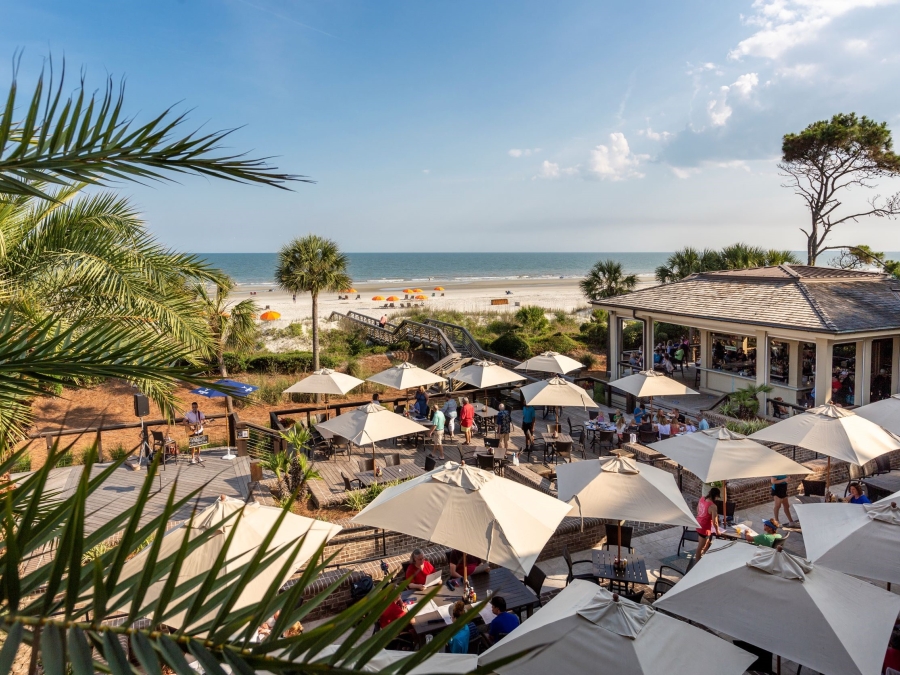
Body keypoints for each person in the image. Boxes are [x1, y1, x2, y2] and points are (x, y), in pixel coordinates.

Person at [691, 487, 721, 569]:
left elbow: (698, 509)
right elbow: (715, 521)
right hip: (704, 528)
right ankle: (697, 566)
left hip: (698, 523)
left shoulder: (702, 498)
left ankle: (705, 558)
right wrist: (718, 531)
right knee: (700, 547)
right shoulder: (713, 506)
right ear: (716, 496)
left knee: (706, 543)